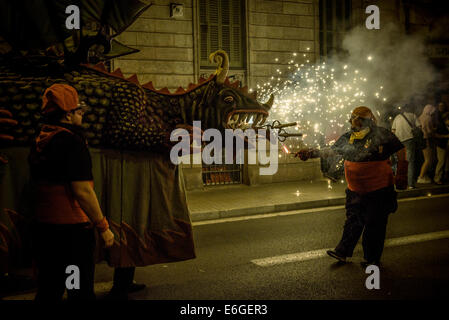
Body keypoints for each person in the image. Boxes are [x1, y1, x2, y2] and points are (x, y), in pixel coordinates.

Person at [28, 84, 114, 301]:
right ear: (67, 116)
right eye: (78, 110)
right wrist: (103, 227)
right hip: (72, 234)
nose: (82, 114)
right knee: (78, 289)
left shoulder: (41, 138)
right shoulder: (72, 142)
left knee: (50, 289)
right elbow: (82, 190)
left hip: (45, 230)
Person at [295, 106, 406, 267]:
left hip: (379, 190)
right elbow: (332, 151)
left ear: (368, 121)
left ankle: (371, 259)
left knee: (374, 224)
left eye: (358, 120)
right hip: (356, 190)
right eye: (353, 119)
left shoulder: (381, 134)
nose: (354, 123)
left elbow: (401, 150)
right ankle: (342, 252)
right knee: (353, 221)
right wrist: (311, 153)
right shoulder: (348, 137)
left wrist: (402, 172)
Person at [391, 104, 421, 188]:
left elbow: (393, 130)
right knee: (410, 162)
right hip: (409, 140)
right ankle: (410, 184)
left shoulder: (397, 117)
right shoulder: (413, 115)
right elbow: (419, 127)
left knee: (400, 162)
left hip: (398, 141)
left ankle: (399, 183)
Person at [417, 104, 438, 184]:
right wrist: (434, 130)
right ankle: (421, 177)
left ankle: (424, 175)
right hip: (426, 140)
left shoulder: (420, 117)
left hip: (421, 140)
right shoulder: (428, 118)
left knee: (427, 159)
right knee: (428, 159)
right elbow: (429, 131)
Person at [434, 102, 449, 184]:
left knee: (446, 162)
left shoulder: (445, 124)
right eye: (439, 106)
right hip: (441, 144)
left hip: (446, 143)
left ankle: (444, 177)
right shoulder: (439, 123)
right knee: (441, 161)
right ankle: (437, 178)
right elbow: (435, 134)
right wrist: (445, 136)